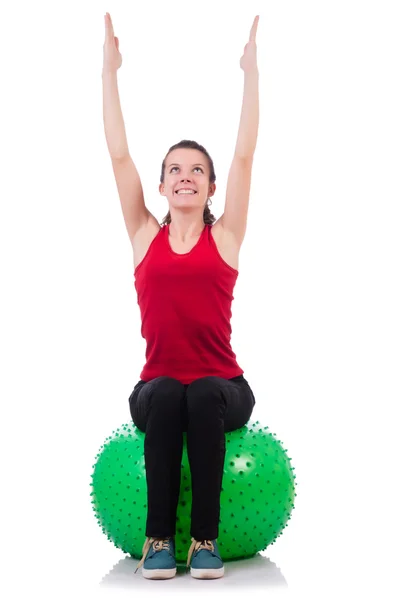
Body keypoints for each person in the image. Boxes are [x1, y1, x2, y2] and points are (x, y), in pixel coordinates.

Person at [102, 11, 260, 580]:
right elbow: (119, 155)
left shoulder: (227, 237)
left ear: (211, 186)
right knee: (170, 392)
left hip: (225, 386)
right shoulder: (146, 235)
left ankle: (206, 541)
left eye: (197, 170)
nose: (185, 176)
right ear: (163, 184)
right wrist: (109, 72)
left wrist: (250, 73)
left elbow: (244, 154)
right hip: (156, 386)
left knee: (200, 397)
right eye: (175, 169)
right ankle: (159, 539)